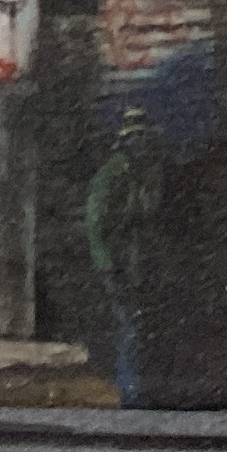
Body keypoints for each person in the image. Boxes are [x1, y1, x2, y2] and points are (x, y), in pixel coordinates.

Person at [80, 108, 160, 407]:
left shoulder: (141, 176)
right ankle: (128, 395)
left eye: (143, 138)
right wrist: (107, 268)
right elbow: (96, 224)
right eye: (134, 138)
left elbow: (148, 215)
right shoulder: (110, 176)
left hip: (135, 266)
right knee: (126, 329)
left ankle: (134, 392)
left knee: (136, 330)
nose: (141, 145)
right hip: (116, 266)